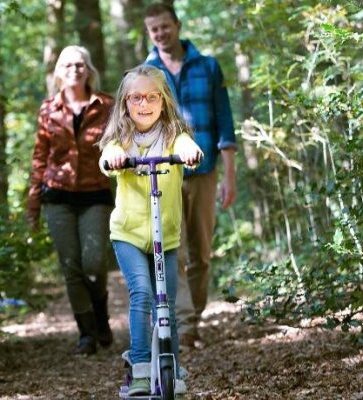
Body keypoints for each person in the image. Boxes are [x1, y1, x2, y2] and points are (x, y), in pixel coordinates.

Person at [98, 64, 202, 396]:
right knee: (142, 294)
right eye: (136, 97)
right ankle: (141, 367)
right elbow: (109, 152)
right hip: (128, 233)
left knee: (166, 300)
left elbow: (187, 147)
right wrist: (113, 158)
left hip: (166, 236)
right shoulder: (121, 138)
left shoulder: (174, 136)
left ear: (164, 100)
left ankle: (173, 362)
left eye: (152, 96)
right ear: (125, 103)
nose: (144, 103)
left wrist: (188, 152)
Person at [143, 3, 237, 350]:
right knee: (172, 250)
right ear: (149, 32)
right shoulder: (146, 72)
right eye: (154, 29)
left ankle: (192, 322)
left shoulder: (208, 66)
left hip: (205, 169)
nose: (160, 33)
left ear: (177, 25)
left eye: (165, 26)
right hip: (164, 173)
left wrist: (230, 176)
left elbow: (225, 123)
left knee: (202, 253)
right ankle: (182, 325)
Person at [27, 45, 115, 355]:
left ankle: (101, 315)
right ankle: (87, 332)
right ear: (59, 72)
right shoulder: (49, 109)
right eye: (68, 65)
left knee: (93, 263)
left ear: (89, 69)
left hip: (95, 194)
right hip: (57, 195)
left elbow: (122, 144)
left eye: (80, 64)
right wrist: (33, 205)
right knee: (71, 267)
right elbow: (40, 157)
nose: (75, 69)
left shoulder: (107, 106)